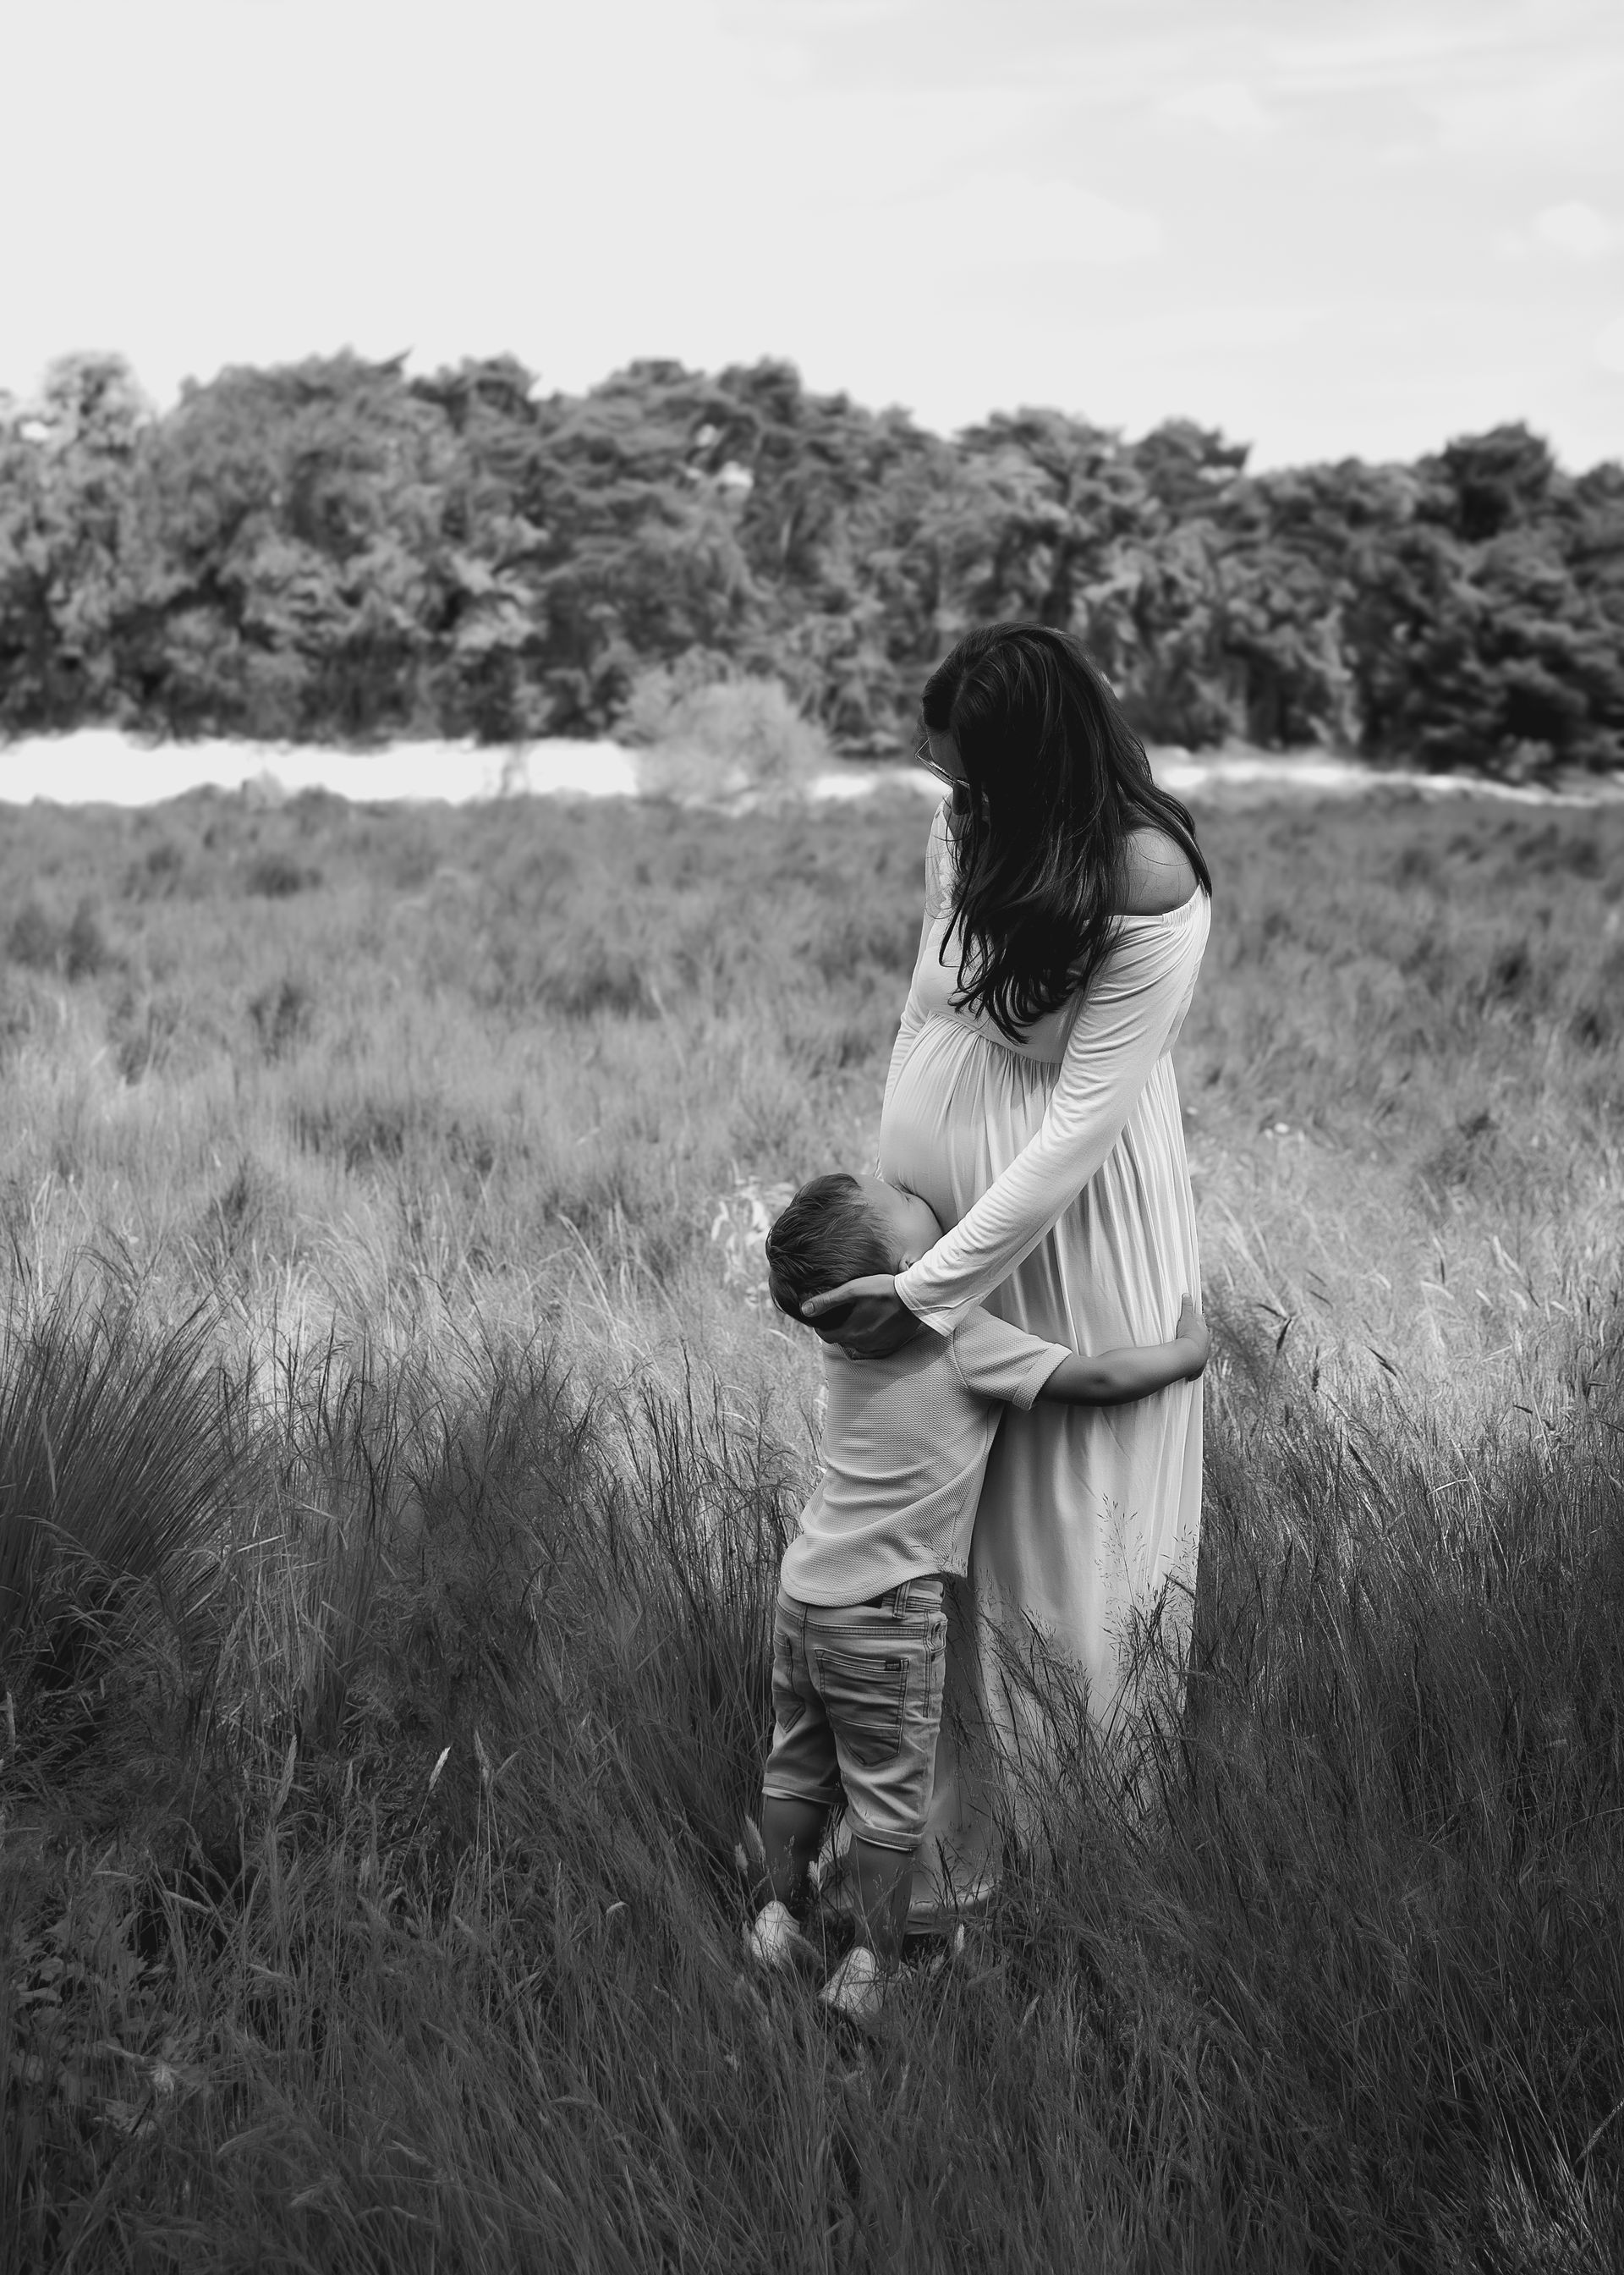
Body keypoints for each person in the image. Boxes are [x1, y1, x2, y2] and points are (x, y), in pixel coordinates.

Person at [800, 624, 1213, 1921]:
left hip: (1067, 1232)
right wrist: (890, 1196)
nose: (955, 808)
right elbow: (926, 1009)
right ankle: (924, 1838)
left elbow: (1076, 1131)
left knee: (1061, 1525)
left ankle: (1070, 1845)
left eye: (975, 783)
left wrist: (931, 1291)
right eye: (945, 784)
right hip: (935, 1223)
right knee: (948, 1533)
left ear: (1039, 767)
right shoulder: (969, 827)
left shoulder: (1149, 876)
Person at [745, 1168, 1208, 2022]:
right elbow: (1094, 1381)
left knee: (797, 1764)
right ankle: (870, 1970)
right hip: (886, 1609)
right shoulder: (956, 1333)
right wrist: (1185, 1354)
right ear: (914, 1267)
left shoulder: (845, 1343)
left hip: (805, 1592)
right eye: (905, 1208)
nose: (915, 1190)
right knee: (890, 1804)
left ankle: (774, 1920)